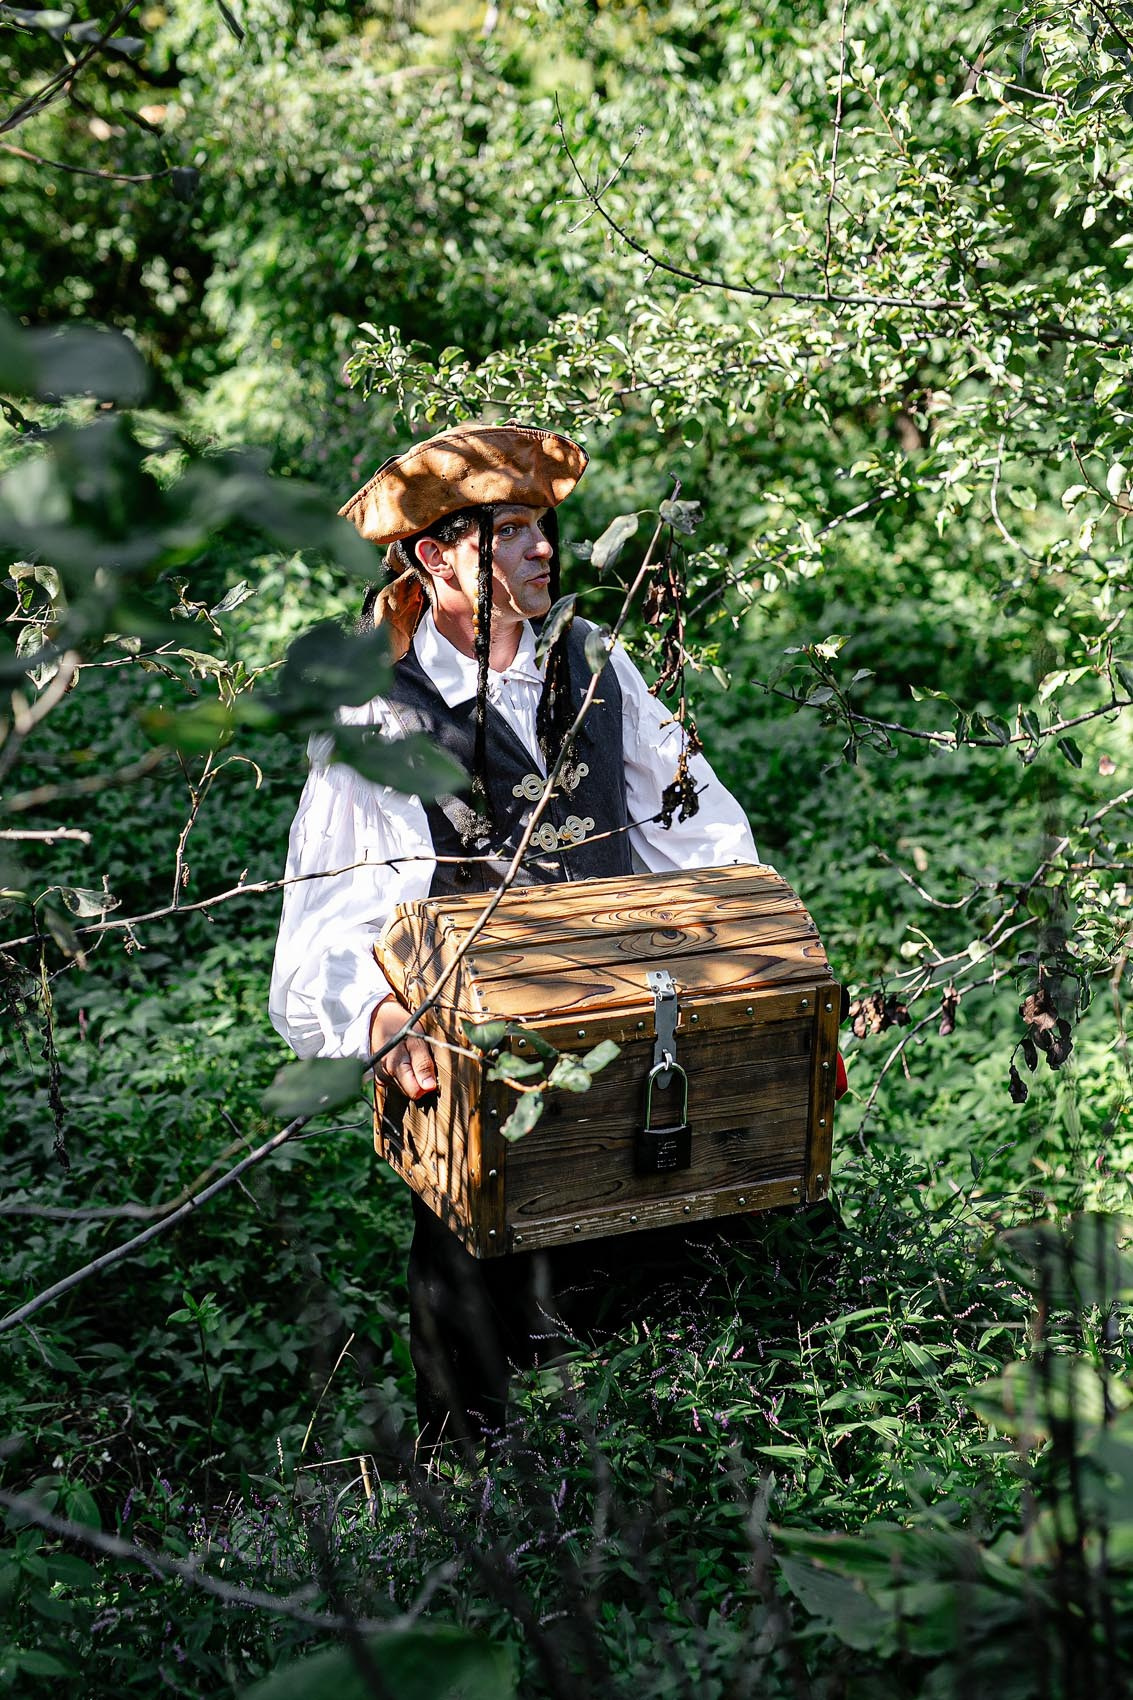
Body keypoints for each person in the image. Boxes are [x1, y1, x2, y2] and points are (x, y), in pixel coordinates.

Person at [269, 422, 761, 1451]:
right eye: (508, 531)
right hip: (482, 1083)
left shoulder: (597, 668)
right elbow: (331, 919)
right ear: (433, 555)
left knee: (680, 1333)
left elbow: (702, 833)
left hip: (627, 1050)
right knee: (490, 1402)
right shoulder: (380, 714)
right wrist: (381, 1016)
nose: (541, 550)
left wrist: (751, 971)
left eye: (542, 527)